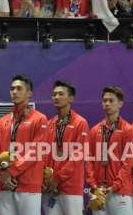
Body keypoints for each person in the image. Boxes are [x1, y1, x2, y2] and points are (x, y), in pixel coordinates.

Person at [0, 74, 49, 215]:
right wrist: (1, 174)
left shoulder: (39, 119)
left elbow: (36, 150)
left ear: (29, 93)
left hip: (28, 185)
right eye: (12, 89)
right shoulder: (3, 121)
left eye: (19, 89)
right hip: (4, 185)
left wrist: (10, 172)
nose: (14, 92)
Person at [86, 86, 133, 215]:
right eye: (104, 100)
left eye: (111, 100)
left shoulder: (127, 130)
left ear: (120, 103)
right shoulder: (95, 130)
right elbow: (89, 159)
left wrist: (115, 186)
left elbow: (128, 162)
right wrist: (93, 184)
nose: (107, 103)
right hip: (98, 191)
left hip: (119, 191)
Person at [43, 81, 88, 215]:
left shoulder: (80, 123)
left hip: (70, 187)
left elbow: (77, 156)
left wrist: (57, 178)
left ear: (71, 98)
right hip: (49, 188)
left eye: (61, 94)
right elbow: (44, 154)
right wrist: (45, 179)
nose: (56, 97)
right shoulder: (49, 124)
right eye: (54, 94)